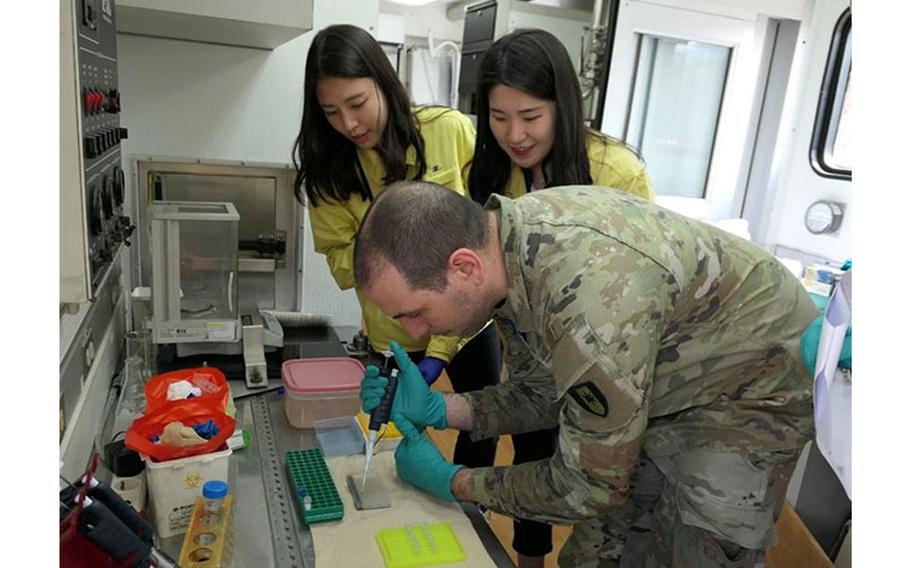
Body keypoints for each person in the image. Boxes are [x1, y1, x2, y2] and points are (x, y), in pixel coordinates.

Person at [356, 181, 817, 567]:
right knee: (595, 555)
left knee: (692, 551)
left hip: (750, 390)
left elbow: (588, 486)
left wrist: (456, 480)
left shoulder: (591, 302)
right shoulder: (509, 251)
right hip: (660, 372)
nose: (414, 332)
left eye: (415, 312)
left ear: (464, 267)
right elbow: (546, 393)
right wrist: (442, 408)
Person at [467, 28, 653, 565]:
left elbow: (644, 283)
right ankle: (528, 559)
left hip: (608, 353)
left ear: (563, 104)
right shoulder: (491, 172)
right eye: (499, 118)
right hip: (530, 346)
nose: (514, 134)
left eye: (530, 116)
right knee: (530, 449)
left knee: (600, 490)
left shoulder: (616, 171)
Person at [291, 24, 500, 468]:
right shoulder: (327, 173)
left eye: (357, 104)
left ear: (385, 83)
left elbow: (490, 220)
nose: (348, 124)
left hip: (470, 326)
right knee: (390, 439)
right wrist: (392, 240)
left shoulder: (447, 130)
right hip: (398, 335)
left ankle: (471, 507)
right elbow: (344, 268)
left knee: (481, 428)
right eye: (330, 112)